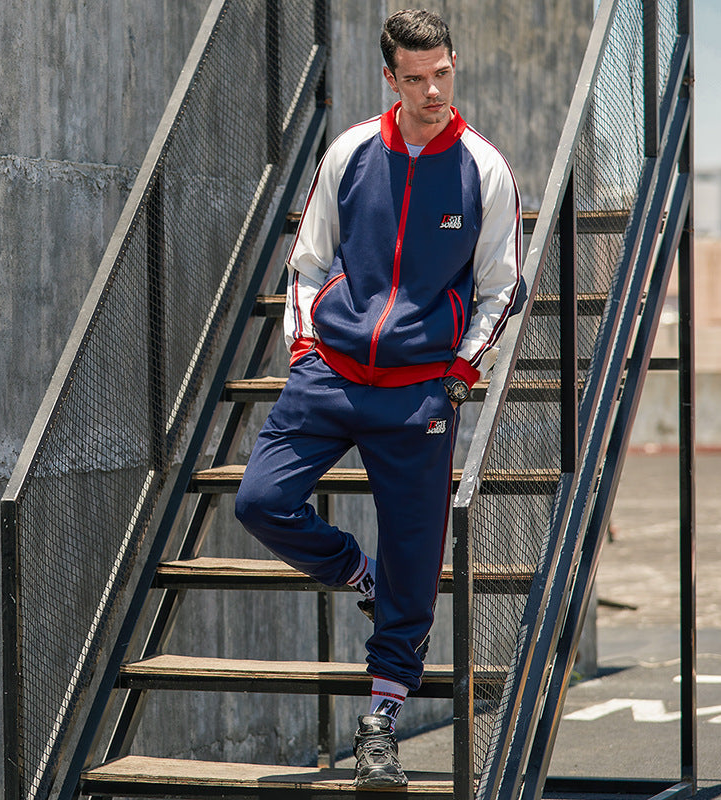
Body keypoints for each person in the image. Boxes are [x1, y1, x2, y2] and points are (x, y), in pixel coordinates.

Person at [235, 8, 524, 788]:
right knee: (260, 501)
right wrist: (304, 349)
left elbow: (501, 287)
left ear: (453, 66)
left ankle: (381, 723)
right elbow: (308, 260)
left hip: (417, 394)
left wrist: (461, 370)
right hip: (328, 375)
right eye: (416, 78)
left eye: (443, 74)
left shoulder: (484, 170)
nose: (433, 91)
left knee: (415, 559)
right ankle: (356, 576)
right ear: (390, 77)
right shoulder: (351, 152)